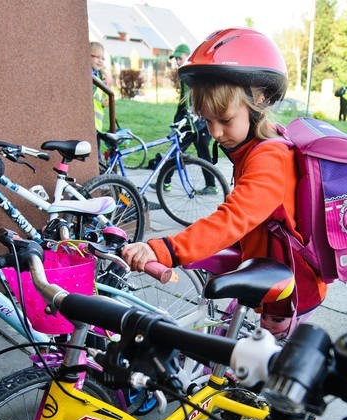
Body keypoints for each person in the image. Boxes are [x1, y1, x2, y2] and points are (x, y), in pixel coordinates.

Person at [123, 28, 327, 339]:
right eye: (207, 120)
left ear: (258, 99)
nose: (215, 132)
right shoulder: (254, 146)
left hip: (287, 290)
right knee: (224, 342)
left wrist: (165, 250)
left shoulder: (270, 157)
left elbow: (234, 218)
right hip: (266, 269)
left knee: (254, 371)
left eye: (225, 119)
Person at [152, 43, 217, 195]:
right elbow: (185, 99)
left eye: (179, 58)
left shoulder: (194, 73)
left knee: (185, 151)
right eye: (175, 59)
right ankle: (167, 182)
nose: (177, 62)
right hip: (192, 121)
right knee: (182, 150)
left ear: (188, 55)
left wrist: (195, 115)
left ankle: (210, 185)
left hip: (197, 122)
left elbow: (197, 98)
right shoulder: (188, 73)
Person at [91, 41, 108, 132]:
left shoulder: (100, 77)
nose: (100, 60)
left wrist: (103, 102)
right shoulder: (89, 75)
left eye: (103, 58)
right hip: (89, 123)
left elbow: (96, 97)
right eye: (97, 57)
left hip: (97, 125)